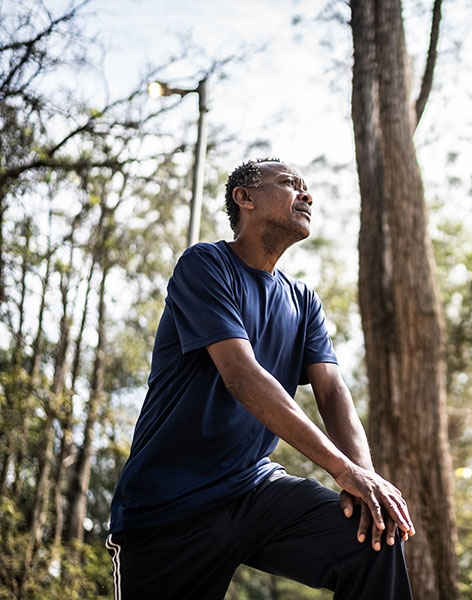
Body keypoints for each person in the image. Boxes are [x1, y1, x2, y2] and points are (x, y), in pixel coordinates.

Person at [106, 158, 415, 599]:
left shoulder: (302, 300)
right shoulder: (205, 265)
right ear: (244, 198)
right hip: (169, 508)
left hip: (253, 489)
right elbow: (243, 377)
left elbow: (331, 390)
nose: (306, 195)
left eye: (307, 188)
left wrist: (365, 481)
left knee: (374, 540)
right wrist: (342, 469)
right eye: (290, 184)